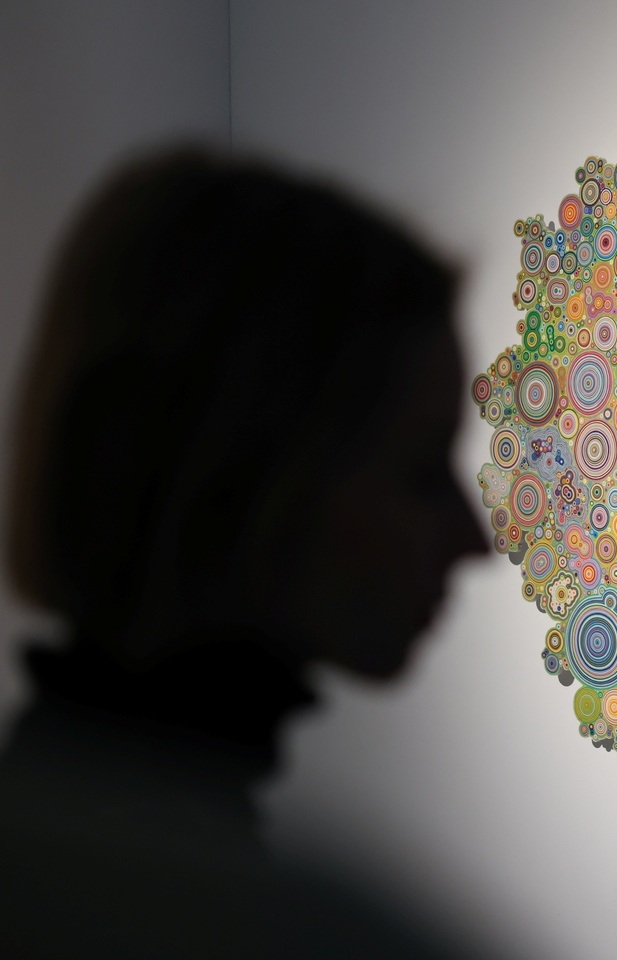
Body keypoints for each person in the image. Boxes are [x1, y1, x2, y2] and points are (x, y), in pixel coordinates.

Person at [0, 148, 495, 958]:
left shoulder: (78, 847)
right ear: (246, 477)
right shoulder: (218, 919)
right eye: (418, 471)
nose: (477, 542)